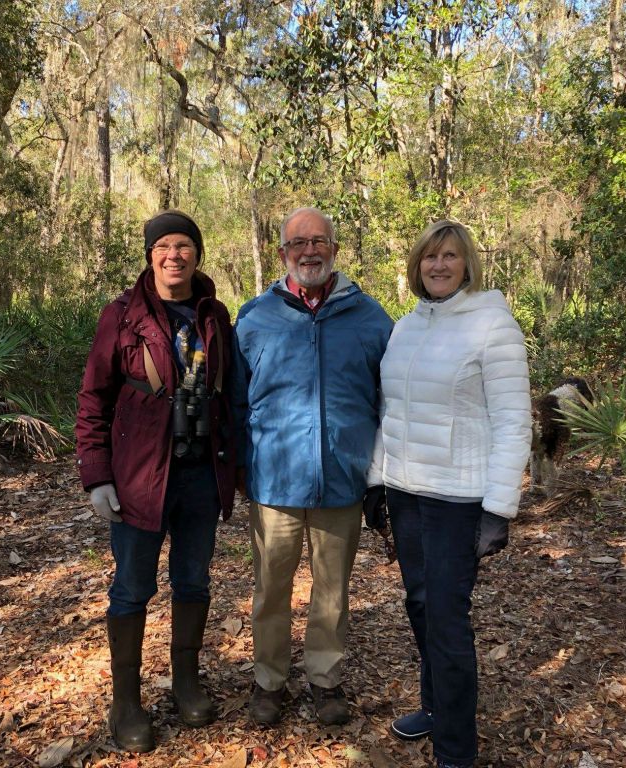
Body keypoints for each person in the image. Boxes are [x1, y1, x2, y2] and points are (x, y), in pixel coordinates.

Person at [365, 219, 530, 768]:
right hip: (407, 491)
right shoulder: (407, 326)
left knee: (447, 617)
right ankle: (435, 707)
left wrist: (498, 508)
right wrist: (376, 481)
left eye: (450, 257)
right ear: (417, 265)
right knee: (419, 605)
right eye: (430, 257)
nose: (438, 265)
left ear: (467, 264)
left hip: (459, 499)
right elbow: (391, 411)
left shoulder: (493, 325)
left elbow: (513, 422)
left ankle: (457, 749)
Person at [75, 210, 236, 753]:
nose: (174, 254)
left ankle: (186, 683)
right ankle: (126, 703)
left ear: (197, 253)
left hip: (198, 477)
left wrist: (233, 470)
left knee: (193, 582)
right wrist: (96, 476)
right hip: (141, 480)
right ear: (150, 255)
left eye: (184, 245)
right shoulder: (121, 316)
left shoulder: (215, 315)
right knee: (132, 587)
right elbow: (93, 398)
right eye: (164, 245)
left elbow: (230, 398)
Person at [231, 206, 393, 726]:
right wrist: (237, 470)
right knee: (270, 590)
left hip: (342, 480)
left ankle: (326, 680)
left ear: (335, 249)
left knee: (332, 593)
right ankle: (269, 682)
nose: (309, 251)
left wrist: (384, 476)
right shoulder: (255, 318)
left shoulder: (371, 319)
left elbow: (392, 402)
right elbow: (235, 402)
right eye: (298, 243)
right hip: (274, 482)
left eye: (319, 241)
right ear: (282, 253)